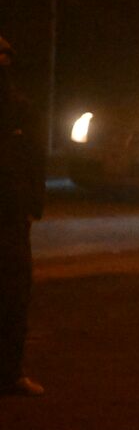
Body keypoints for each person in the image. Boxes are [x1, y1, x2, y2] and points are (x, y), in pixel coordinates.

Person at [0, 36, 45, 397]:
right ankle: (9, 371)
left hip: (12, 213)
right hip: (12, 212)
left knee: (14, 295)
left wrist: (32, 203)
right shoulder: (19, 108)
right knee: (12, 294)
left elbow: (33, 158)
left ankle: (10, 371)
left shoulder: (19, 108)